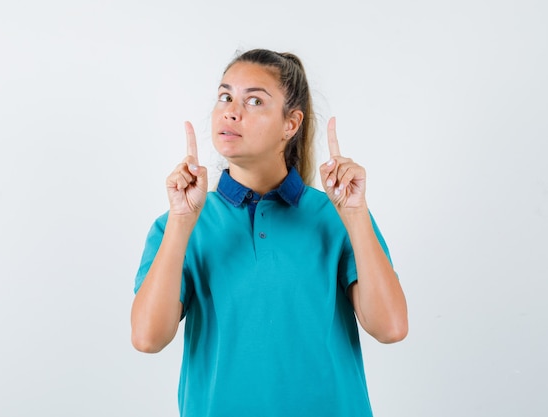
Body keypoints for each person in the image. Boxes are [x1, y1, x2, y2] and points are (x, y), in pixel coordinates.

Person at [131, 48, 408, 417]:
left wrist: (355, 214)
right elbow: (148, 338)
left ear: (290, 124)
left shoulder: (338, 216)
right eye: (225, 97)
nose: (231, 110)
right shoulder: (176, 225)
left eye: (255, 101)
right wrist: (182, 222)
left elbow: (390, 327)